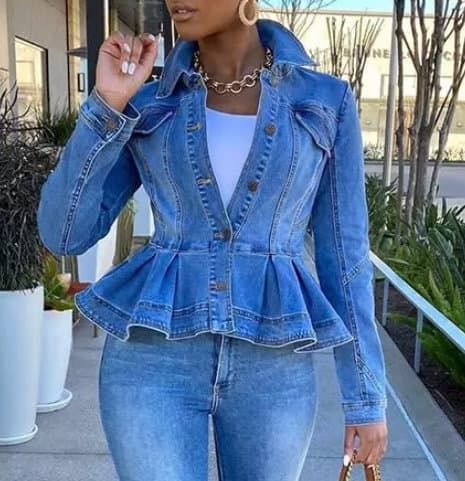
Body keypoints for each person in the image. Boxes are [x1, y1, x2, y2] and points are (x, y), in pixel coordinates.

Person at [37, 0, 389, 479]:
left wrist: (365, 397)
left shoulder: (326, 100)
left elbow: (345, 258)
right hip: (152, 361)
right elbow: (63, 233)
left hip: (273, 368)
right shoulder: (149, 100)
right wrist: (106, 106)